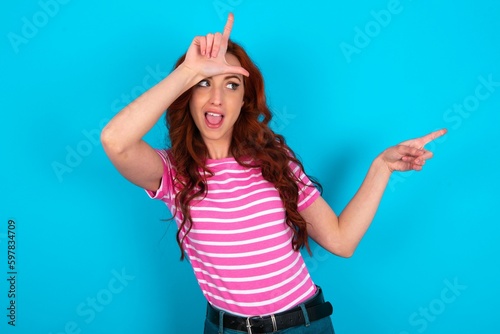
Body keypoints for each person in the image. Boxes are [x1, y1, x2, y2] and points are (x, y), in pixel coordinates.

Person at [101, 13, 447, 334]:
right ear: (187, 95)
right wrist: (188, 71)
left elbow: (342, 241)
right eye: (205, 83)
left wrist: (382, 167)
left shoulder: (274, 162)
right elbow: (115, 141)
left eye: (232, 85)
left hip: (305, 324)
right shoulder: (173, 172)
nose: (218, 98)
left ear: (243, 102)